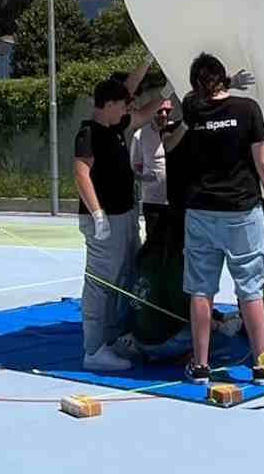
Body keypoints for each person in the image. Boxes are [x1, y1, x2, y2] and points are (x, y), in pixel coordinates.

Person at [160, 54, 264, 384]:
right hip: (242, 210)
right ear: (222, 77)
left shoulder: (192, 107)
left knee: (201, 289)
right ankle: (262, 364)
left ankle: (200, 365)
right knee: (250, 289)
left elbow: (196, 103)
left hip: (200, 210)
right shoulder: (248, 110)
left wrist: (224, 83)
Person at [73, 59, 166, 372]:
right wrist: (97, 214)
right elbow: (81, 174)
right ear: (109, 104)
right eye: (123, 105)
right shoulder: (89, 133)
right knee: (101, 282)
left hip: (125, 215)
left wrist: (167, 91)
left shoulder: (117, 127)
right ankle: (93, 348)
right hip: (105, 220)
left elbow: (142, 109)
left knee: (124, 276)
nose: (129, 109)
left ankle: (112, 338)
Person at [130, 96, 175, 239]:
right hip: (153, 200)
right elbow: (134, 167)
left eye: (167, 111)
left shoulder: (177, 131)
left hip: (175, 200)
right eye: (160, 111)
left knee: (176, 243)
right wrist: (145, 177)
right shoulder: (140, 135)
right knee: (154, 241)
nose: (164, 114)